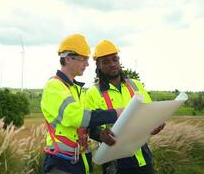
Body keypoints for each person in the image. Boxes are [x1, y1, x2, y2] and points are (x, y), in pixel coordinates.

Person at [41, 34, 123, 174]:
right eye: (83, 59)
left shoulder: (77, 90)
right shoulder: (54, 87)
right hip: (61, 164)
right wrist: (115, 113)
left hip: (80, 161)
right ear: (68, 59)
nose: (87, 64)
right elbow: (76, 117)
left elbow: (87, 124)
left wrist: (99, 134)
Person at [85, 40, 165, 174]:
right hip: (114, 162)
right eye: (106, 62)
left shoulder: (136, 85)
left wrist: (155, 124)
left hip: (142, 157)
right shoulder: (93, 92)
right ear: (98, 65)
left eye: (115, 59)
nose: (112, 64)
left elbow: (150, 113)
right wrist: (100, 134)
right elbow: (90, 126)